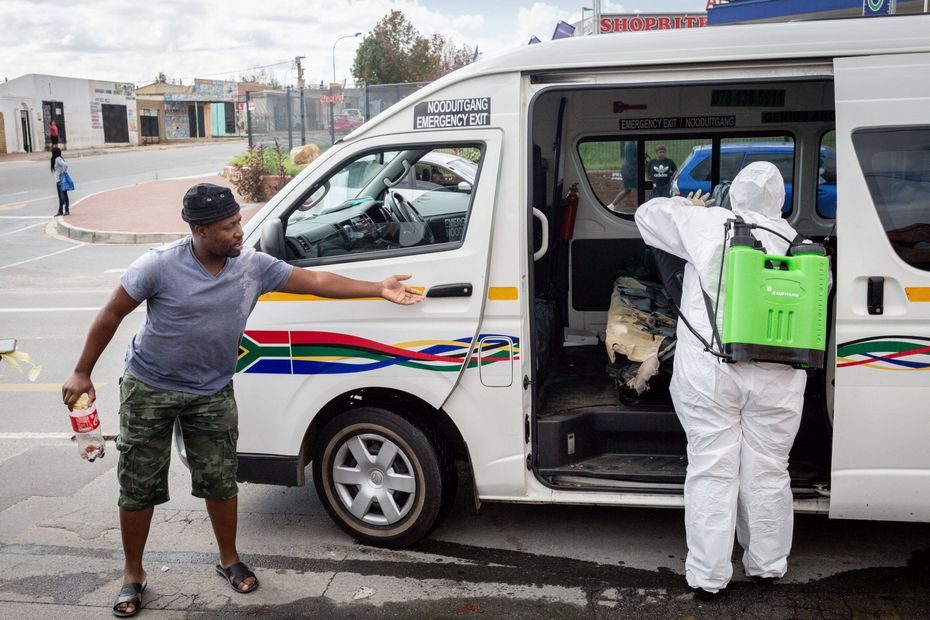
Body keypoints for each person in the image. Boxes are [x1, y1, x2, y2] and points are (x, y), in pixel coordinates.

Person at [61, 183, 424, 617]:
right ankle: (133, 573)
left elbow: (316, 281)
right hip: (150, 387)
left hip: (212, 390)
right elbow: (112, 312)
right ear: (199, 230)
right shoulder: (158, 266)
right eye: (229, 226)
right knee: (138, 486)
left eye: (238, 222)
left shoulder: (252, 266)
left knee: (220, 479)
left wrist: (376, 287)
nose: (239, 232)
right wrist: (82, 371)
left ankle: (229, 558)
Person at [634, 162, 806, 600]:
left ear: (737, 195)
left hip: (713, 373)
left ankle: (710, 576)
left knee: (713, 470)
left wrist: (682, 204)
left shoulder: (710, 223)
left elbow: (646, 216)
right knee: (768, 470)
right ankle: (767, 564)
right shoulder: (797, 243)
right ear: (779, 200)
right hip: (780, 377)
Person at [608, 140, 638, 213]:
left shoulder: (629, 143)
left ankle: (611, 206)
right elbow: (631, 159)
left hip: (627, 168)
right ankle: (643, 208)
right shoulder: (631, 144)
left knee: (627, 190)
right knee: (638, 188)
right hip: (630, 169)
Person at [50, 147, 69, 216]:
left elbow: (65, 164)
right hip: (58, 181)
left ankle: (66, 210)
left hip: (61, 180)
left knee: (64, 196)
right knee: (60, 197)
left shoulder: (58, 159)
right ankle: (60, 211)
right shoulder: (56, 159)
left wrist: (63, 173)